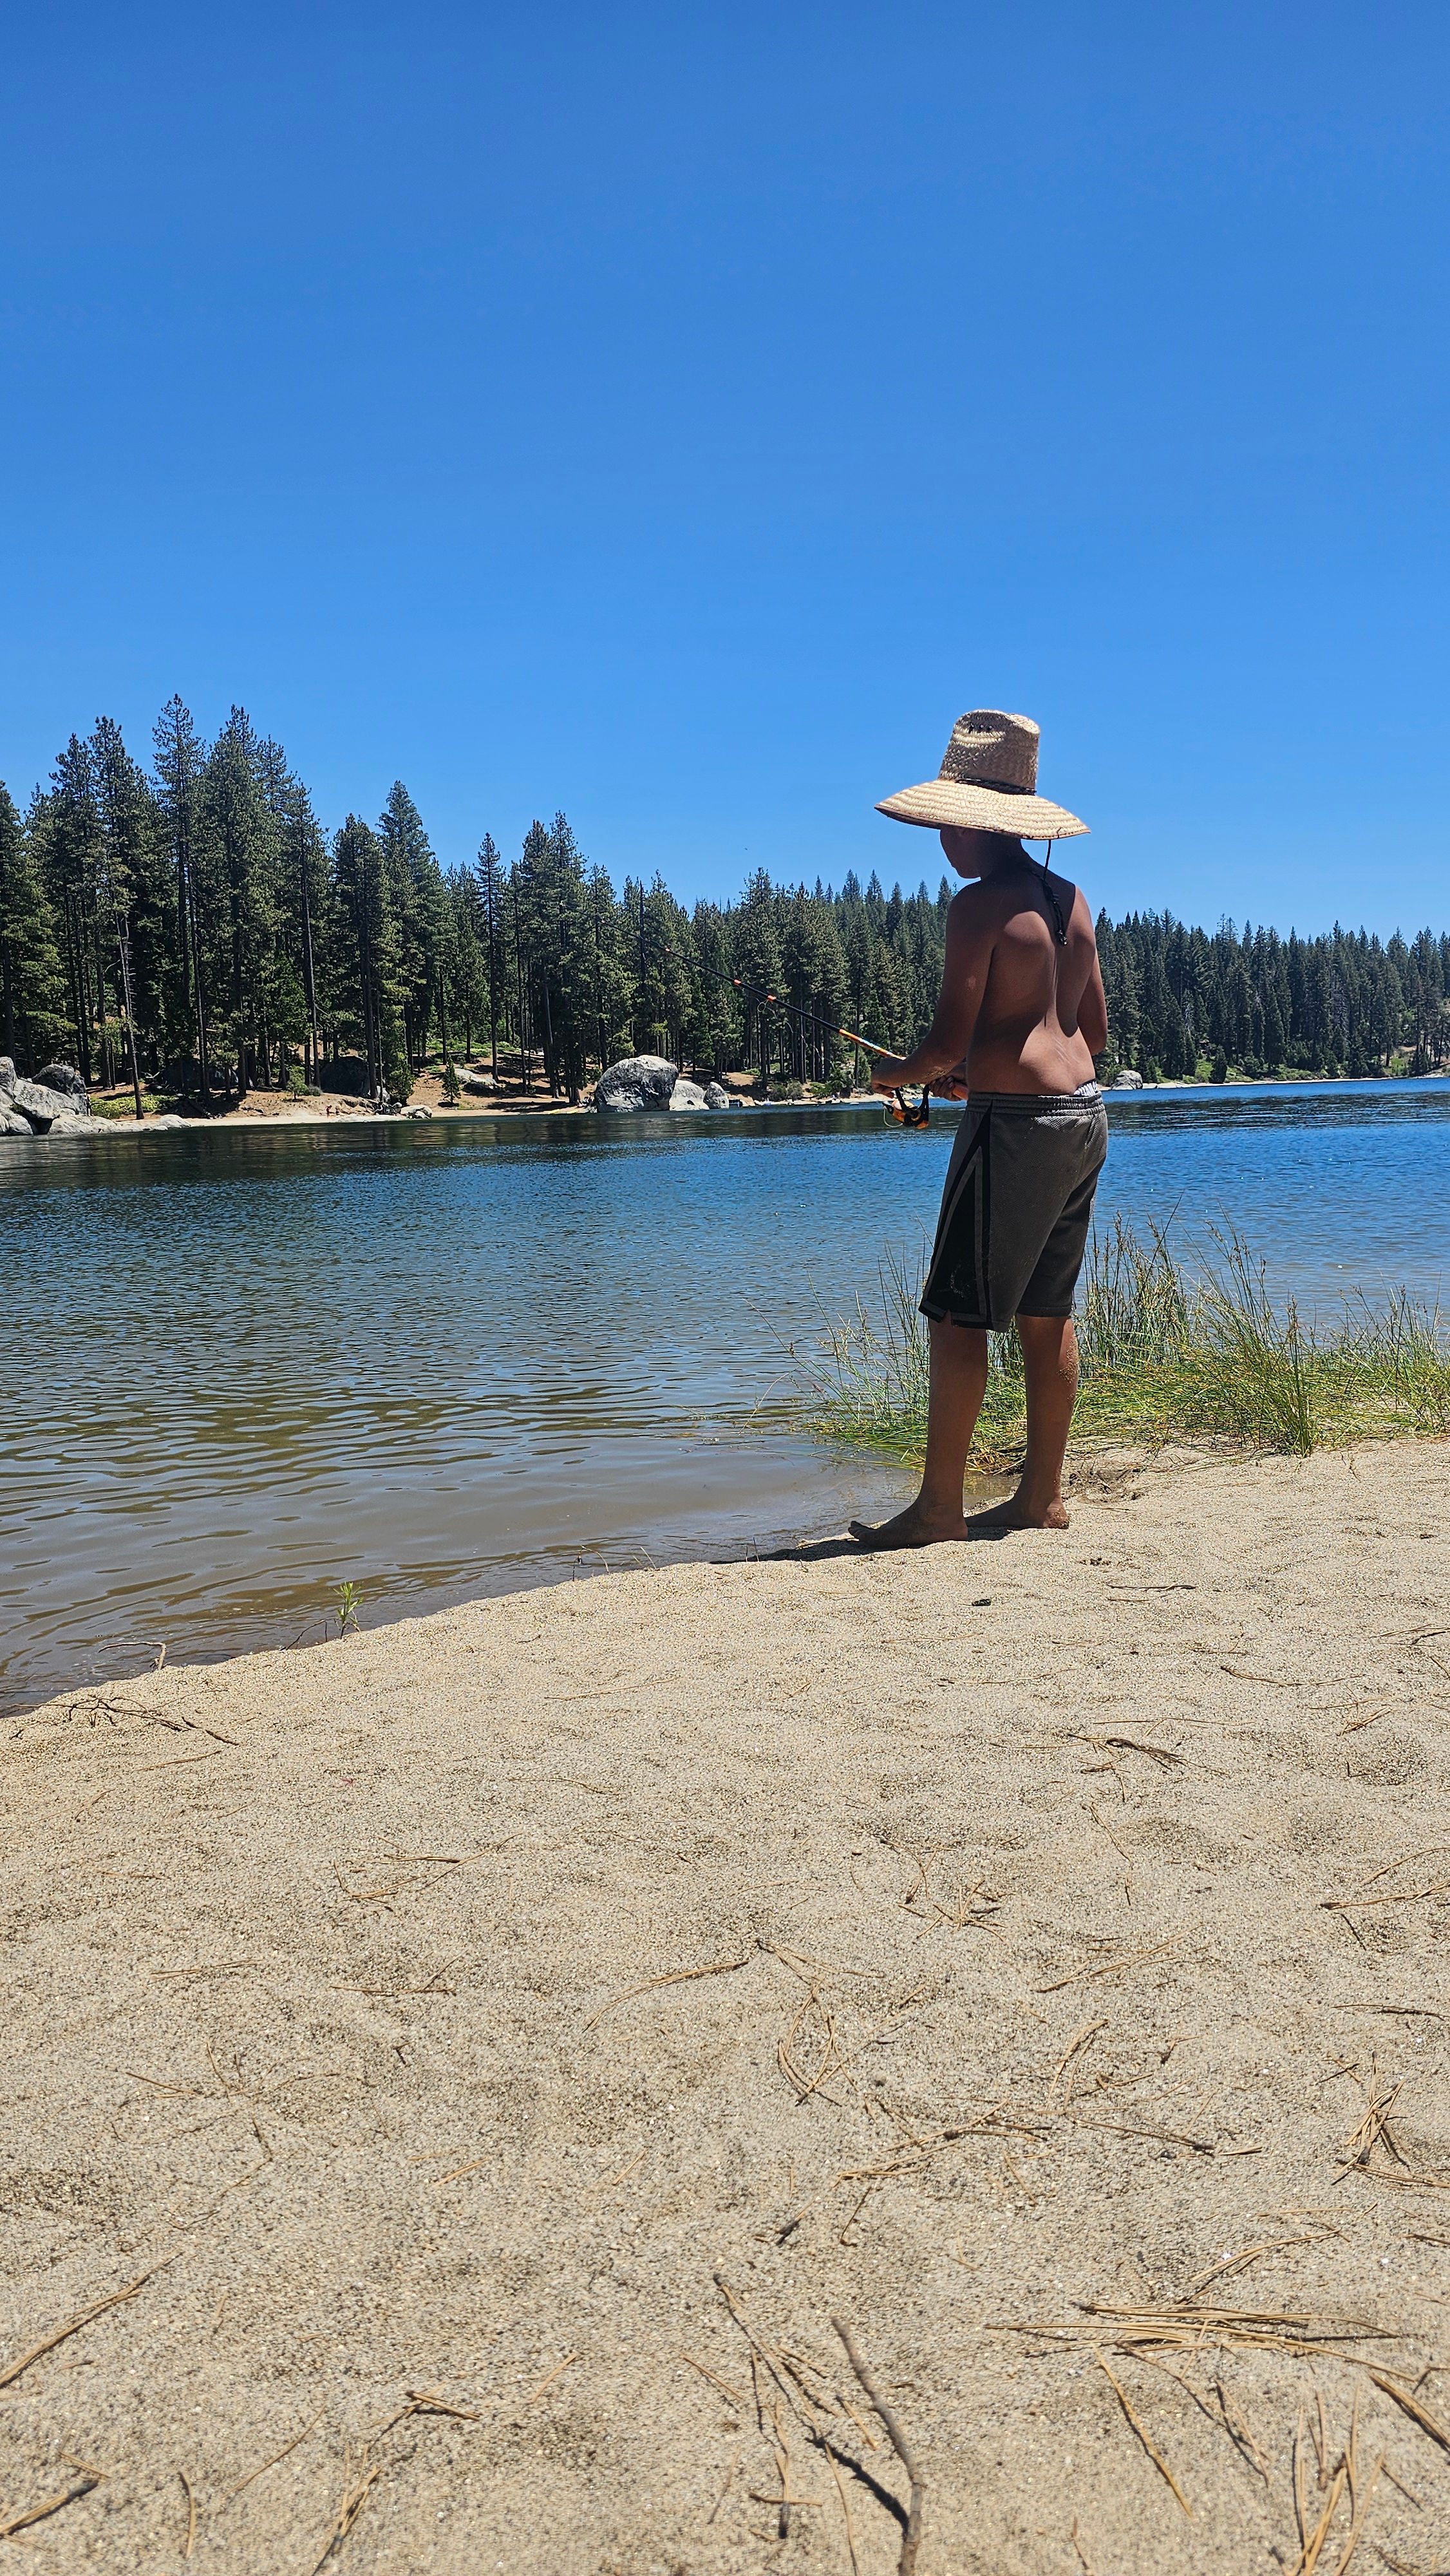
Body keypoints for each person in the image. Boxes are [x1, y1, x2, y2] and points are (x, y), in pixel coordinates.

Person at [849, 708, 1109, 1548]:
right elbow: (1091, 1035)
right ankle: (1041, 1498)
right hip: (1083, 1118)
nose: (940, 841)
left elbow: (940, 1046)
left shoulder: (979, 906)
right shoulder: (1071, 901)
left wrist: (894, 1076)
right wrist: (979, 1070)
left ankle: (938, 1512)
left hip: (1017, 1131)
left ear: (972, 822)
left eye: (943, 825)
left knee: (957, 1313)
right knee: (1046, 1309)